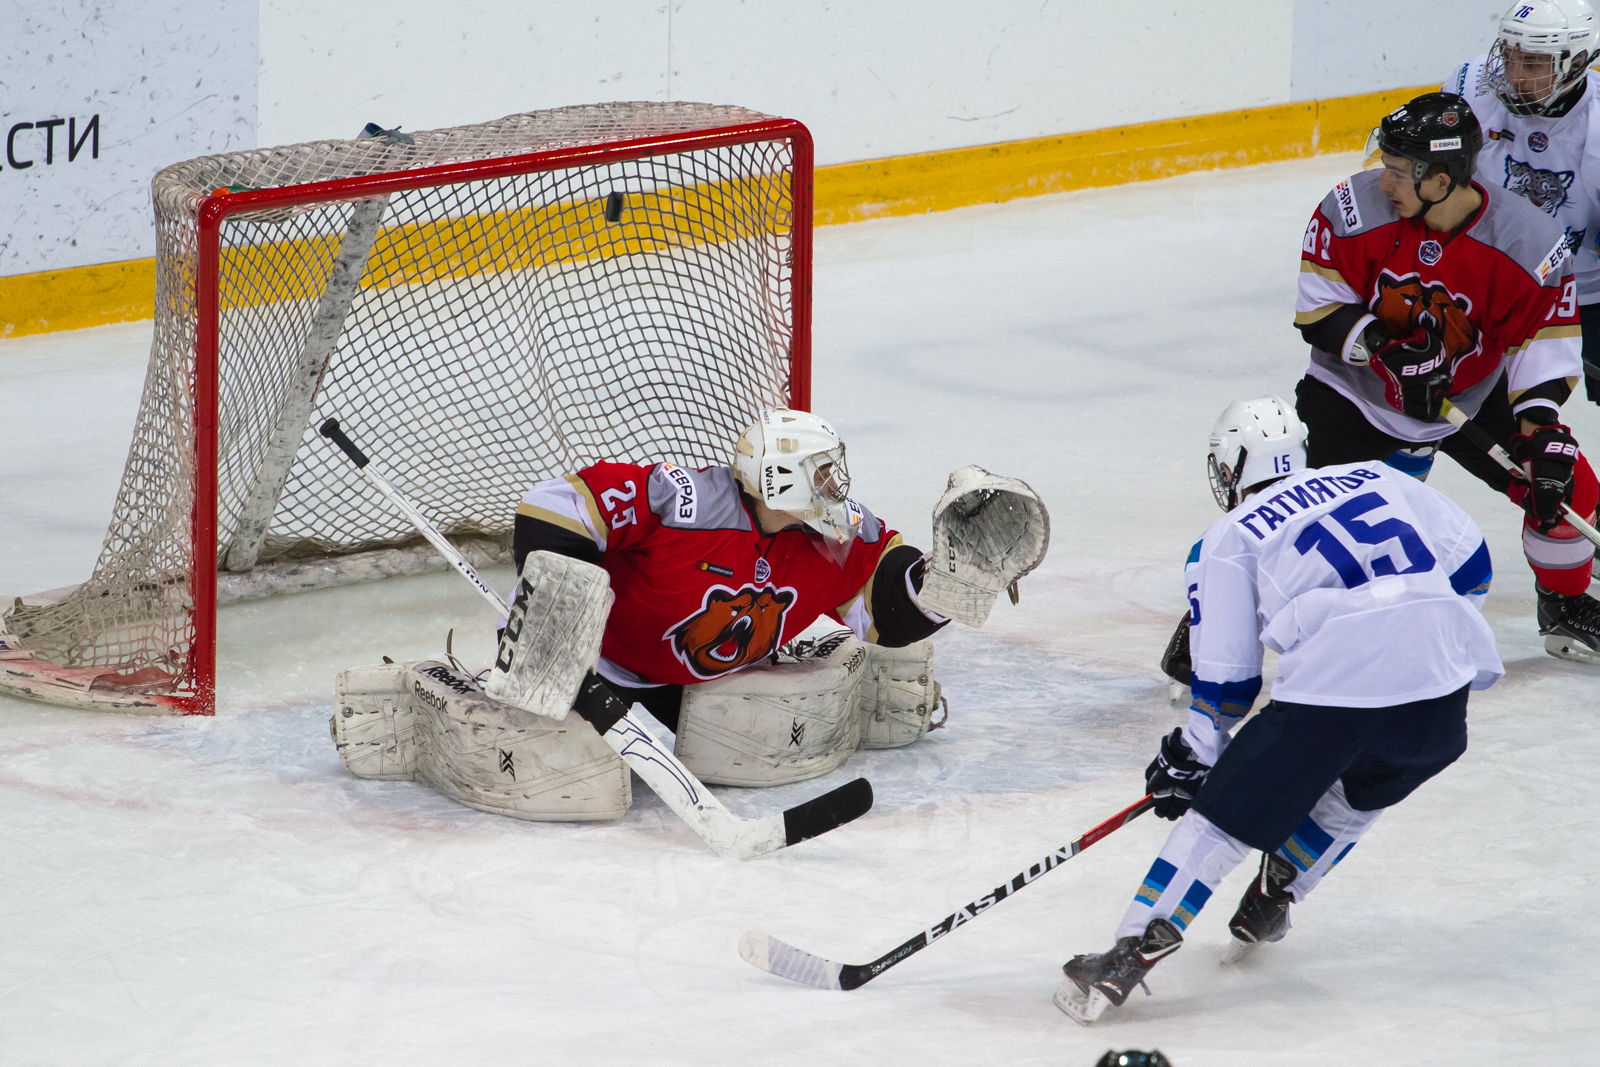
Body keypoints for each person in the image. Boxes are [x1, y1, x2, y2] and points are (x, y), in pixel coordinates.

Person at [1055, 397, 1504, 1024]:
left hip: (1337, 688)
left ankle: (1129, 953)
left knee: (1219, 824)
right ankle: (1277, 894)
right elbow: (1475, 566)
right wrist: (1422, 637)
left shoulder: (1229, 536)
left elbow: (1228, 686)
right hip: (1440, 690)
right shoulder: (1383, 476)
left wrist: (1190, 761)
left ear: (1236, 464)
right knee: (1354, 799)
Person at [509, 407, 1048, 734]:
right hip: (596, 670)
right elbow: (551, 510)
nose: (836, 485)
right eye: (821, 472)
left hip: (699, 692)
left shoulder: (837, 539)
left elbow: (886, 611)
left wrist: (945, 588)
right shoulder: (685, 504)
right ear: (780, 480)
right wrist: (558, 635)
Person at [1292, 90, 1600, 660]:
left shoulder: (1528, 243)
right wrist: (1384, 351)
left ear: (1444, 177)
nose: (1384, 182)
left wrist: (1541, 427)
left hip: (1467, 393)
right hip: (1353, 396)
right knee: (1304, 523)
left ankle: (1564, 605)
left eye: (1399, 172)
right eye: (1385, 164)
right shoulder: (1353, 208)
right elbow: (1319, 303)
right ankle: (1214, 615)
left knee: (1565, 482)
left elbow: (1546, 342)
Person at [1448, 0, 1600, 405]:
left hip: (1585, 297)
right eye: (1510, 57)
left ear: (1578, 60)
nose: (1513, 76)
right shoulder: (1472, 85)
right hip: (1492, 289)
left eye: (1532, 64)